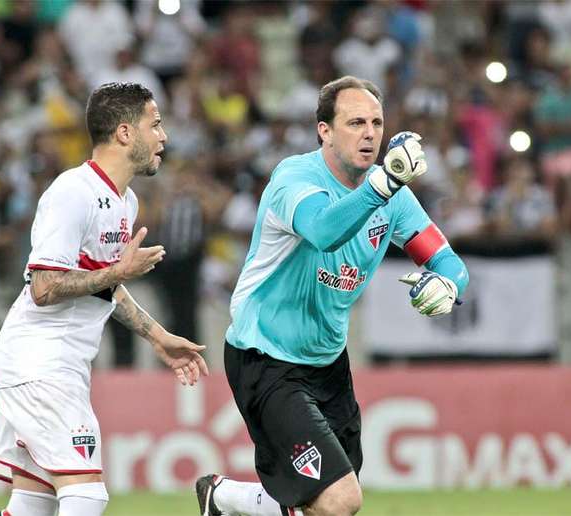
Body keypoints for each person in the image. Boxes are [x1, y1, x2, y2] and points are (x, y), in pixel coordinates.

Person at [195, 75, 468, 516]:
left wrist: (448, 285)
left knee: (323, 501)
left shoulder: (394, 198)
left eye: (377, 123)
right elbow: (324, 232)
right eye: (355, 122)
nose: (369, 133)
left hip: (328, 365)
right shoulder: (295, 180)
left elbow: (449, 262)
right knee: (340, 500)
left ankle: (223, 498)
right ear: (324, 130)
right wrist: (382, 187)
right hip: (265, 357)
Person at [0, 82, 209, 516]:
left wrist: (156, 336)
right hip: (40, 365)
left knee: (30, 509)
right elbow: (44, 286)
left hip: (58, 365)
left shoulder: (125, 201)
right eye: (155, 125)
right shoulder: (71, 193)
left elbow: (102, 284)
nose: (164, 137)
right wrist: (118, 270)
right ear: (124, 133)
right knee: (86, 496)